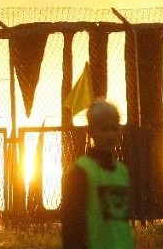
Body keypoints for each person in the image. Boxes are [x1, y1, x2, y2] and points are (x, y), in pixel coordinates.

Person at [61, 99, 134, 249]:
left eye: (114, 129)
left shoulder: (122, 172)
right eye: (104, 129)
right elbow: (71, 225)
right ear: (91, 132)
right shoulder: (80, 172)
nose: (110, 135)